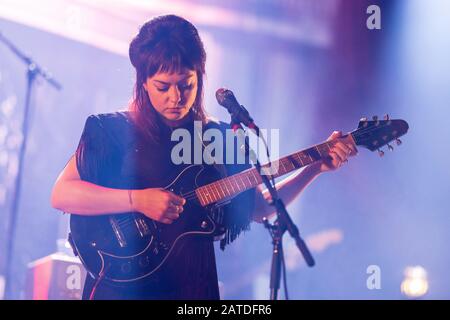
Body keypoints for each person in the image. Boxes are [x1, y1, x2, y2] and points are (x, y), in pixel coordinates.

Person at [50, 15, 356, 300]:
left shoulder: (219, 137)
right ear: (143, 82)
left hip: (192, 287)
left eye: (186, 85)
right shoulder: (112, 130)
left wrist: (315, 167)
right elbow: (62, 194)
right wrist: (137, 201)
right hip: (122, 285)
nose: (176, 97)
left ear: (201, 77)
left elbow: (259, 207)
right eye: (163, 87)